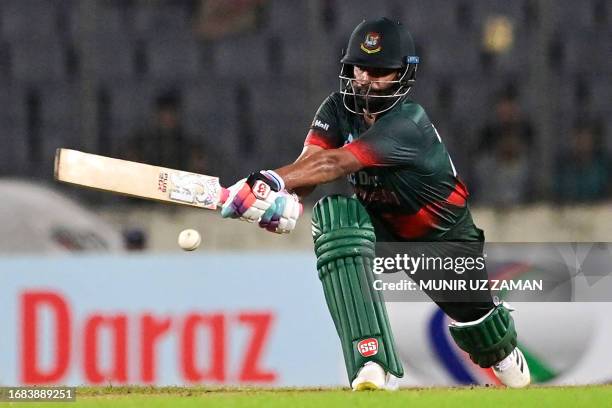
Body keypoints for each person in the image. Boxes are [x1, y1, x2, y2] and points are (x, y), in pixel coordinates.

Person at [221, 18, 530, 390]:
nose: (365, 78)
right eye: (359, 67)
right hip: (378, 223)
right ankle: (370, 360)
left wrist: (272, 180)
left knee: (485, 334)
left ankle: (502, 352)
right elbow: (310, 165)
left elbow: (335, 163)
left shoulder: (407, 123)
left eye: (379, 71)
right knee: (336, 216)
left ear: (402, 75)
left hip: (438, 238)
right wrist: (274, 199)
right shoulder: (337, 107)